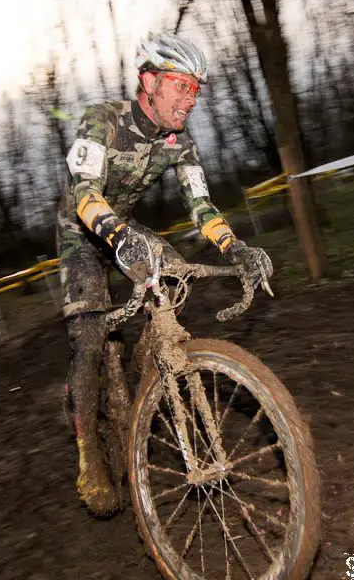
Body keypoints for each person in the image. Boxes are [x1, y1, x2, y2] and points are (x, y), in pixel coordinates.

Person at [56, 32, 273, 516]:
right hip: (81, 230)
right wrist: (114, 235)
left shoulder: (179, 141)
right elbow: (86, 193)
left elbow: (200, 204)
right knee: (88, 340)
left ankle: (154, 359)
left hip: (123, 225)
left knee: (175, 273)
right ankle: (87, 450)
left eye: (196, 90)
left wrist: (233, 247)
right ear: (149, 82)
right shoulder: (103, 120)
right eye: (180, 86)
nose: (190, 99)